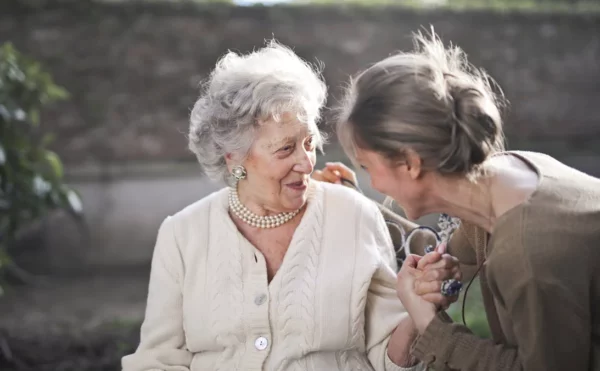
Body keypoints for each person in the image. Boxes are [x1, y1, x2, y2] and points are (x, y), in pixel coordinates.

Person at [121, 40, 461, 371]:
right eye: (285, 149)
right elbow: (158, 359)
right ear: (234, 158)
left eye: (309, 143)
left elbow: (387, 356)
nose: (306, 162)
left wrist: (419, 310)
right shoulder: (182, 234)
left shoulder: (354, 216)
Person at [332, 29, 600, 371]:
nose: (373, 183)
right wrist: (436, 275)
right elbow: (456, 255)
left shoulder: (528, 255)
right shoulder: (506, 175)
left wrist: (431, 327)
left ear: (410, 163)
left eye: (369, 167)